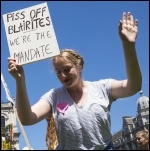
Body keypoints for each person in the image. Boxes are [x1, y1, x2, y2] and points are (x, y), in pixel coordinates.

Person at [7, 12, 142, 150]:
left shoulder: (102, 87)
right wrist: (19, 81)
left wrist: (128, 46)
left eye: (67, 69)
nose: (62, 75)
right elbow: (27, 118)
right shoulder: (53, 96)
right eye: (58, 72)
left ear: (80, 66)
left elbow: (133, 86)